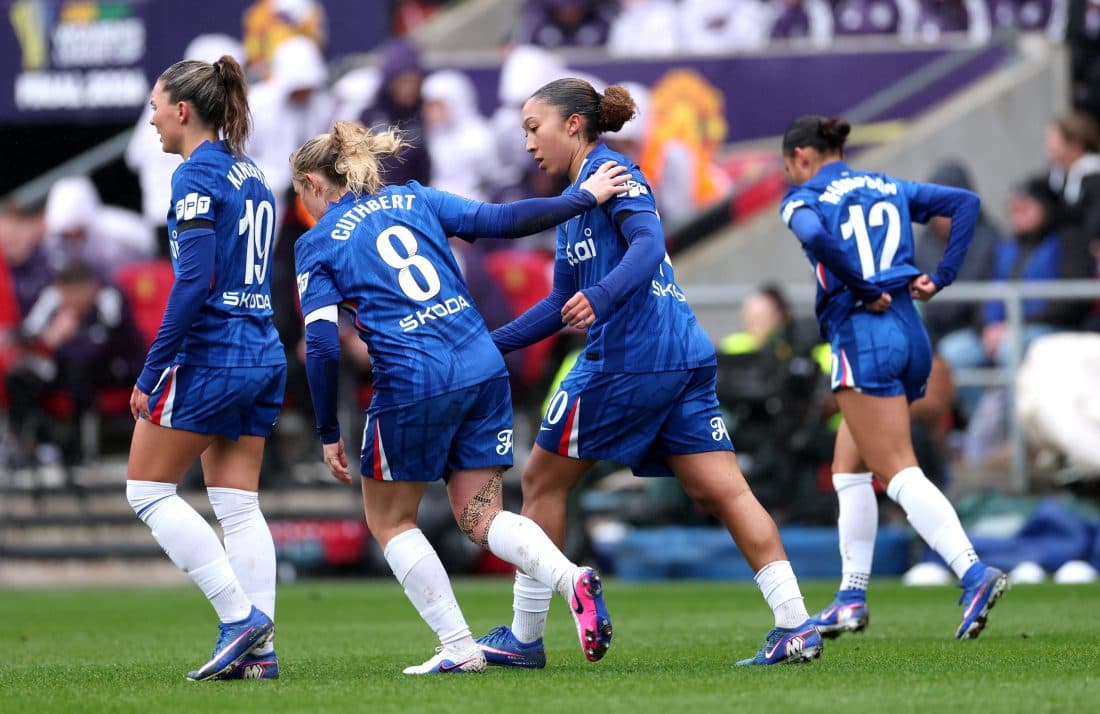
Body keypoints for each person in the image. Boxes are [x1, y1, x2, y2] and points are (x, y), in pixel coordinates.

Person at [474, 78, 822, 668]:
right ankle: (795, 624)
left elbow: (648, 242)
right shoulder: (576, 203)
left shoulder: (614, 173)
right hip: (679, 355)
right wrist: (492, 346)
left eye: (534, 128)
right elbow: (559, 302)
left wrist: (604, 296)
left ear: (573, 125)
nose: (528, 143)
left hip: (630, 357)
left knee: (541, 481)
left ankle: (526, 637)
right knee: (722, 489)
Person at [290, 120, 628, 674]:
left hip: (411, 381)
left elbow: (323, 345)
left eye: (300, 195)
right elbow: (503, 221)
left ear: (312, 183)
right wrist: (582, 197)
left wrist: (328, 431)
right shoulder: (414, 198)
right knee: (482, 516)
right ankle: (571, 578)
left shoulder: (316, 242)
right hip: (480, 366)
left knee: (391, 522)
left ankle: (459, 646)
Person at [777, 115, 1008, 641]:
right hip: (910, 328)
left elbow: (814, 235)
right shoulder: (887, 185)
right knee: (848, 469)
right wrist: (943, 276)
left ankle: (973, 572)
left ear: (801, 157)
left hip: (864, 333)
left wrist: (861, 287)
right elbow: (965, 204)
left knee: (897, 468)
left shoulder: (804, 197)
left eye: (789, 166)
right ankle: (850, 596)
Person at [125, 55, 285, 681]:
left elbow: (194, 281)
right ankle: (261, 655)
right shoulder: (253, 172)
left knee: (146, 490)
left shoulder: (195, 175)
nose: (153, 120)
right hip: (262, 347)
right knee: (238, 504)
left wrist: (151, 370)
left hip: (216, 351)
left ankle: (239, 618)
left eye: (156, 107)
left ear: (183, 110)